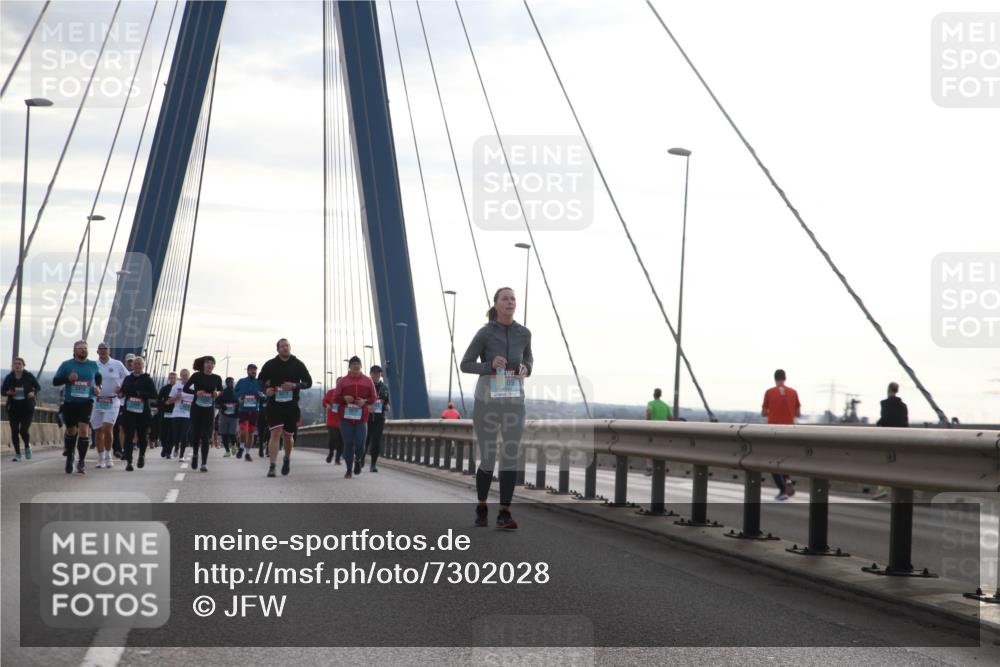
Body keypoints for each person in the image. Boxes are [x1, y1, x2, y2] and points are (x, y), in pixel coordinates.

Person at [460, 287, 532, 530]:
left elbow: (529, 358)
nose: (510, 302)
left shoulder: (524, 333)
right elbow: (465, 364)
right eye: (505, 298)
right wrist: (490, 365)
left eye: (513, 298)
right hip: (487, 402)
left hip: (514, 402)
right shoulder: (485, 333)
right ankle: (482, 506)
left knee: (510, 456)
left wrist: (526, 369)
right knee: (489, 456)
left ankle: (504, 513)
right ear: (496, 304)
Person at [258, 338, 312, 478]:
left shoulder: (298, 364)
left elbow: (308, 383)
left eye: (287, 346)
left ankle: (287, 458)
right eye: (282, 346)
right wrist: (266, 390)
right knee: (275, 433)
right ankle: (272, 466)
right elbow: (260, 382)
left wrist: (295, 385)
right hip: (274, 405)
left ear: (290, 347)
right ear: (278, 349)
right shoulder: (270, 365)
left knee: (288, 436)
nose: (285, 348)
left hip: (291, 405)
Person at [53, 340, 102, 474]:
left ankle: (81, 462)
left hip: (86, 402)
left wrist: (98, 387)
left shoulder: (92, 365)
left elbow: (98, 377)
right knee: (71, 431)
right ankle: (70, 457)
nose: (83, 350)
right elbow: (55, 381)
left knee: (83, 430)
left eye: (85, 348)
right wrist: (68, 379)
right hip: (70, 403)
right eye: (80, 348)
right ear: (74, 351)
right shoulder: (67, 365)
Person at [331, 357, 377, 478]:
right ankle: (348, 470)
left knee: (361, 444)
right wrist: (344, 399)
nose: (356, 366)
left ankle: (358, 461)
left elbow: (374, 398)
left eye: (358, 364)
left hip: (361, 418)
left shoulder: (368, 381)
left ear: (361, 366)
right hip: (345, 418)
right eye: (353, 364)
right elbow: (335, 398)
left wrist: (365, 401)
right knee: (348, 443)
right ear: (349, 366)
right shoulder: (343, 381)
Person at [761, 369, 800, 500]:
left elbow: (763, 413)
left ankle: (783, 489)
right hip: (789, 430)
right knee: (784, 457)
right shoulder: (794, 392)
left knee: (772, 461)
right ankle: (788, 479)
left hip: (774, 430)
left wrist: (773, 410)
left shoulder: (769, 392)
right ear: (785, 378)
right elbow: (798, 413)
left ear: (775, 379)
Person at [90, 343, 128, 469]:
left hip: (112, 401)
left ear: (109, 351)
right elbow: (89, 381)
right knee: (98, 430)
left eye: (105, 349)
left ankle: (109, 456)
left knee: (107, 428)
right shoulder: (93, 365)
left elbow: (128, 378)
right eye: (100, 349)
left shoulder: (117, 364)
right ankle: (101, 458)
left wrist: (122, 388)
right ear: (97, 351)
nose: (102, 351)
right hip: (98, 400)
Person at [183, 356, 223, 472]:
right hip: (196, 409)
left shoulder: (217, 378)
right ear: (204, 365)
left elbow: (221, 390)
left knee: (205, 435)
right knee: (196, 434)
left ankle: (204, 463)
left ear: (214, 366)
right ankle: (195, 455)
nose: (209, 365)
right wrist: (196, 392)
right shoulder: (197, 376)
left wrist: (217, 393)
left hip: (208, 409)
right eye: (207, 363)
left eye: (212, 363)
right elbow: (186, 388)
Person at [120, 356, 157, 471]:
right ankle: (129, 462)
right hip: (129, 411)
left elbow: (154, 395)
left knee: (142, 436)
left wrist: (139, 393)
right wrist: (120, 393)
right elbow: (123, 391)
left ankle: (141, 455)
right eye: (135, 364)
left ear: (143, 366)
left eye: (139, 364)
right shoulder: (128, 378)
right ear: (132, 366)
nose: (137, 366)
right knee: (129, 436)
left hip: (142, 412)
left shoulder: (147, 379)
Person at [873, 382, 908, 499]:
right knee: (898, 465)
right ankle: (899, 490)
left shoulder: (885, 404)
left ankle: (881, 489)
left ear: (888, 390)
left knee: (883, 463)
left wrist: (878, 424)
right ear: (897, 390)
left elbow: (885, 419)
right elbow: (905, 423)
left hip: (887, 439)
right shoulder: (903, 406)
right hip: (900, 439)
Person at [3, 357, 41, 461]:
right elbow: (3, 391)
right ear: (13, 366)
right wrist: (8, 393)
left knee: (23, 430)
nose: (17, 365)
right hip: (14, 408)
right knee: (14, 431)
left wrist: (33, 393)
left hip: (27, 408)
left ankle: (27, 447)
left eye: (19, 364)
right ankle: (18, 454)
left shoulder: (28, 376)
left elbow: (38, 387)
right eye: (15, 364)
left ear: (23, 365)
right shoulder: (9, 377)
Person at [364, 364, 391, 472]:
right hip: (366, 418)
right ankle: (361, 459)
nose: (376, 375)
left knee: (376, 441)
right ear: (370, 374)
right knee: (365, 440)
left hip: (379, 419)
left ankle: (373, 465)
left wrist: (386, 406)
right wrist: (366, 405)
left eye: (378, 373)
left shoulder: (384, 387)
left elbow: (386, 403)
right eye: (374, 373)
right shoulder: (365, 385)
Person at [234, 364, 261, 462]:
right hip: (243, 410)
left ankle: (248, 453)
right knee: (244, 430)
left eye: (255, 370)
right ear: (248, 371)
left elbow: (265, 395)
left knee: (251, 433)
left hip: (254, 411)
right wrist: (239, 397)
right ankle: (241, 447)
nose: (253, 372)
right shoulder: (241, 381)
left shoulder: (259, 382)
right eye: (251, 370)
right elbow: (235, 392)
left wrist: (262, 396)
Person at [644, 388, 672, 474]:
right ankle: (661, 467)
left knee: (649, 447)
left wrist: (648, 421)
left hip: (652, 429)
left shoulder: (651, 403)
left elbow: (649, 412)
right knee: (662, 448)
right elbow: (670, 418)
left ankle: (649, 467)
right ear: (661, 395)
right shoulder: (665, 405)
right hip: (663, 430)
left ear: (654, 394)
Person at [167, 369, 193, 461]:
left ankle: (181, 455)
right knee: (176, 435)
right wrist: (175, 397)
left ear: (189, 376)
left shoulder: (193, 386)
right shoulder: (176, 386)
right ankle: (176, 447)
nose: (185, 377)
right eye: (183, 375)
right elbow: (168, 402)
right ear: (180, 376)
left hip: (188, 415)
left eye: (186, 375)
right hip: (176, 414)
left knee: (184, 434)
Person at [322, 379, 344, 464]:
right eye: (338, 383)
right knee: (333, 439)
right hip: (331, 421)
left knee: (341, 441)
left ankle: (337, 458)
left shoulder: (346, 394)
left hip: (342, 421)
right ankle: (331, 453)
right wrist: (327, 405)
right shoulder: (331, 392)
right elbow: (324, 401)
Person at [216, 377, 239, 456]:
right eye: (229, 382)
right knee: (224, 433)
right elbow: (216, 404)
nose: (231, 383)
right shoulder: (222, 393)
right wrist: (222, 406)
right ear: (226, 383)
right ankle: (227, 451)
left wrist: (237, 407)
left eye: (232, 382)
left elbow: (240, 402)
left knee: (232, 433)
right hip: (224, 415)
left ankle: (233, 446)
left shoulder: (236, 392)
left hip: (234, 416)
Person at [157, 372, 177, 458]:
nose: (172, 379)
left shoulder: (178, 388)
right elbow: (158, 400)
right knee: (163, 432)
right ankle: (164, 447)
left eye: (174, 378)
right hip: (165, 413)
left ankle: (169, 452)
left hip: (175, 413)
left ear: (176, 379)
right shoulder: (164, 389)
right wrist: (164, 403)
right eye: (171, 378)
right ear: (168, 378)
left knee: (172, 432)